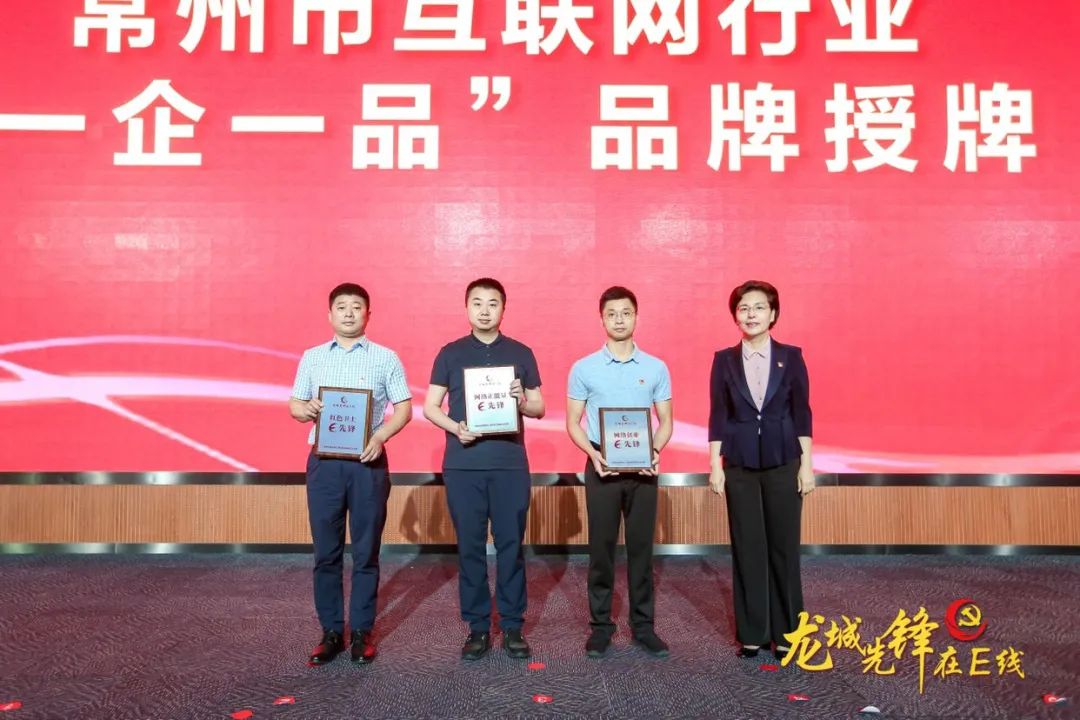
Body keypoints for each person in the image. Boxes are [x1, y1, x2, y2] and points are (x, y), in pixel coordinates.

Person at [289, 283, 412, 666]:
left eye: (356, 307)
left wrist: (380, 436)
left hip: (367, 463)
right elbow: (295, 403)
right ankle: (330, 631)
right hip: (324, 464)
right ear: (330, 314)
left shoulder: (386, 358)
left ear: (368, 315)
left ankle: (361, 631)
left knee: (365, 552)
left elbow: (404, 408)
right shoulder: (312, 357)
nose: (348, 313)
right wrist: (305, 409)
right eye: (341, 307)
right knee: (326, 552)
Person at [422, 278, 545, 660]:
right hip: (464, 465)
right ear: (467, 308)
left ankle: (512, 625)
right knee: (470, 548)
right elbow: (430, 407)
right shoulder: (450, 353)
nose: (485, 310)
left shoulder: (521, 353)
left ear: (503, 308)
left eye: (493, 303)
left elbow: (539, 407)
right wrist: (456, 427)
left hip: (509, 464)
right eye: (477, 303)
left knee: (510, 546)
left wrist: (521, 402)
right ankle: (477, 627)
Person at [707, 280, 815, 660]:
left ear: (773, 314)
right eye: (743, 308)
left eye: (758, 307)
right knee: (747, 547)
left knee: (783, 549)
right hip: (739, 464)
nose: (750, 314)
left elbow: (802, 413)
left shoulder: (791, 356)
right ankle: (752, 633)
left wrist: (807, 465)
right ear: (735, 316)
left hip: (784, 461)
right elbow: (718, 415)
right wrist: (715, 465)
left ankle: (788, 634)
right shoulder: (724, 360)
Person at [566, 286, 673, 658]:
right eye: (611, 314)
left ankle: (643, 627)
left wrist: (654, 450)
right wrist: (592, 454)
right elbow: (573, 422)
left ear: (636, 317)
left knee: (642, 550)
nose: (619, 320)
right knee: (601, 549)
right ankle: (601, 627)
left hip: (644, 470)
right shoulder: (584, 368)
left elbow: (666, 421)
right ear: (602, 319)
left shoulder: (656, 367)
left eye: (626, 313)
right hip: (602, 467)